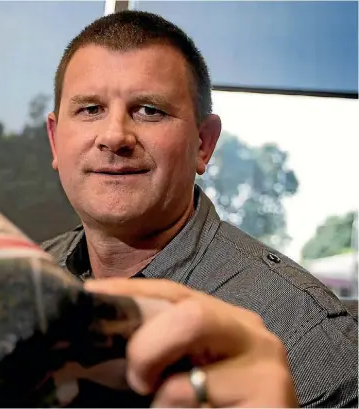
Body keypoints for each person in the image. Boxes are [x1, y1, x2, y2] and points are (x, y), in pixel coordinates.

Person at [42, 10, 357, 407]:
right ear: (55, 141)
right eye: (90, 109)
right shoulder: (17, 286)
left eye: (149, 110)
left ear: (204, 144)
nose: (114, 136)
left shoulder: (309, 336)